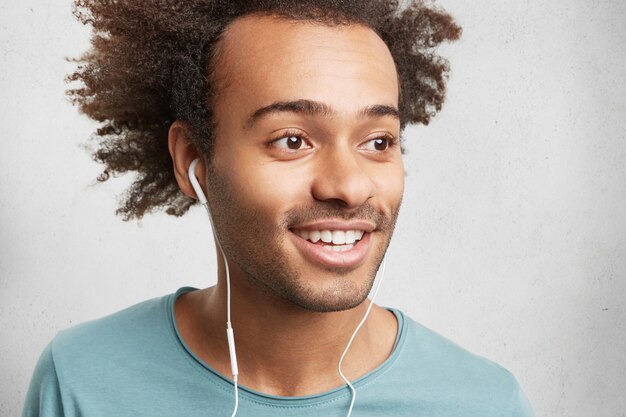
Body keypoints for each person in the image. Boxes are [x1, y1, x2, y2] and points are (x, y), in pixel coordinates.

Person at [23, 1, 534, 416]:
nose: (350, 187)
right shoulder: (82, 380)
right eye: (292, 140)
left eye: (378, 141)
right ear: (192, 160)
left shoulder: (483, 402)